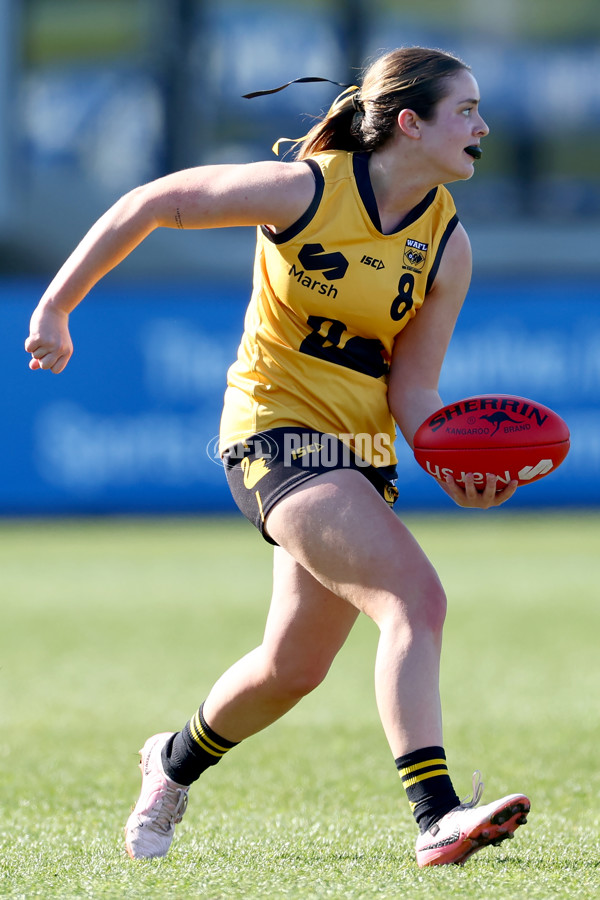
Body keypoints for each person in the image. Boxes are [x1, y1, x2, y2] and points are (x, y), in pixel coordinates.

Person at [25, 46, 530, 867]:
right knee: (416, 599)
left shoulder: (446, 246)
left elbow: (414, 396)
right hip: (273, 433)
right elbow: (155, 201)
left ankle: (172, 761)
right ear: (410, 123)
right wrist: (56, 306)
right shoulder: (308, 189)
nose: (482, 126)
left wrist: (458, 471)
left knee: (292, 666)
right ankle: (436, 815)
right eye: (466, 110)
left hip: (361, 450)